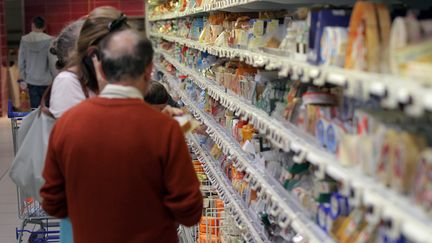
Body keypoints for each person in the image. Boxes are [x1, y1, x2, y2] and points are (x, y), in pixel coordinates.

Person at [40, 29, 203, 242]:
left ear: (100, 68)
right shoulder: (166, 129)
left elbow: (52, 202)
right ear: (148, 70)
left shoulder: (67, 124)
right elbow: (189, 212)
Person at [18, 16, 56, 108]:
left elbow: (21, 61)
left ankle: (36, 122)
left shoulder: (24, 39)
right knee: (46, 108)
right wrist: (55, 77)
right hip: (46, 81)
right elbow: (52, 62)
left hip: (31, 80)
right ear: (44, 27)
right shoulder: (51, 40)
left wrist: (22, 78)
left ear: (33, 25)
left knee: (34, 109)